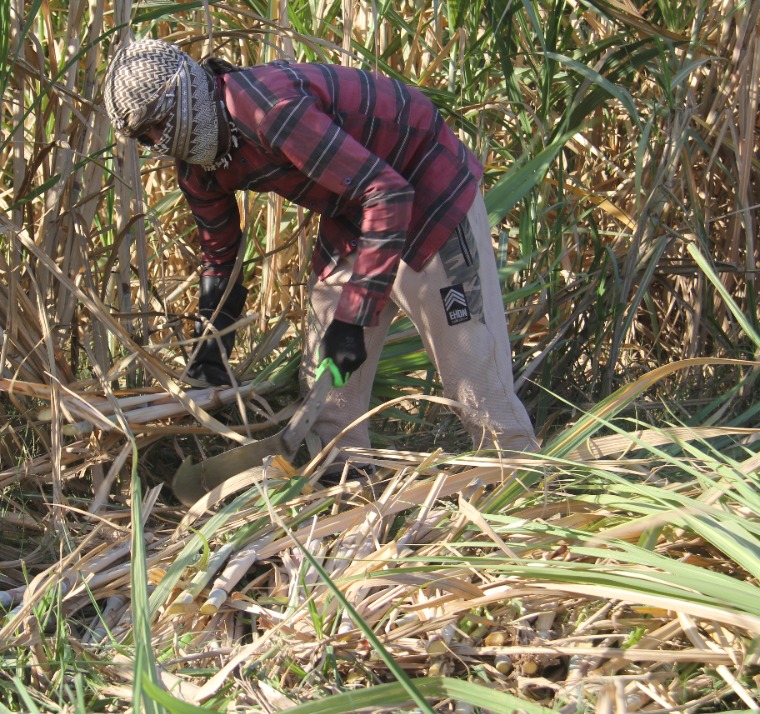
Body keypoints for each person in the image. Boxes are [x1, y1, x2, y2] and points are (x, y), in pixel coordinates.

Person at [102, 38, 539, 463]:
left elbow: (387, 193)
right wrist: (213, 345)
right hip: (354, 204)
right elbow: (221, 256)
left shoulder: (269, 110)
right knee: (326, 381)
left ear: (187, 89)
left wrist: (355, 320)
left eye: (161, 121)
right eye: (146, 136)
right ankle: (344, 482)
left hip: (424, 183)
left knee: (468, 370)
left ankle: (520, 477)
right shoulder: (200, 169)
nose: (161, 140)